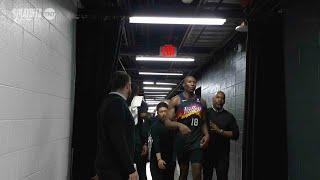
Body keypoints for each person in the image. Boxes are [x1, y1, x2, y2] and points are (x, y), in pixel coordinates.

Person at [95, 71, 138, 180]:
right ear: (128, 86)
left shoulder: (107, 101)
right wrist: (130, 169)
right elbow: (118, 138)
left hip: (109, 164)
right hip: (115, 167)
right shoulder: (117, 104)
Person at [167, 75, 210, 180]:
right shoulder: (176, 100)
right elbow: (167, 122)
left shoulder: (202, 102)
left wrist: (207, 134)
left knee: (197, 173)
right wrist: (179, 125)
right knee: (183, 173)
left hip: (196, 141)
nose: (192, 84)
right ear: (184, 85)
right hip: (182, 142)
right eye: (189, 82)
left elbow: (203, 121)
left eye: (194, 82)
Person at [203, 91, 240, 180]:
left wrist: (219, 131)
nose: (220, 100)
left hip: (222, 155)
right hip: (207, 153)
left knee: (222, 177)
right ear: (213, 99)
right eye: (218, 97)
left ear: (224, 101)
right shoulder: (206, 113)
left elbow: (236, 134)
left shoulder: (229, 116)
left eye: (222, 98)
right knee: (207, 177)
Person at [150, 102, 176, 180]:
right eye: (161, 112)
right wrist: (159, 159)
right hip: (157, 158)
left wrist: (174, 159)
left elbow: (174, 142)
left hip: (169, 158)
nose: (163, 113)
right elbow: (156, 143)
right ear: (157, 113)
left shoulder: (172, 125)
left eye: (165, 111)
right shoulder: (155, 126)